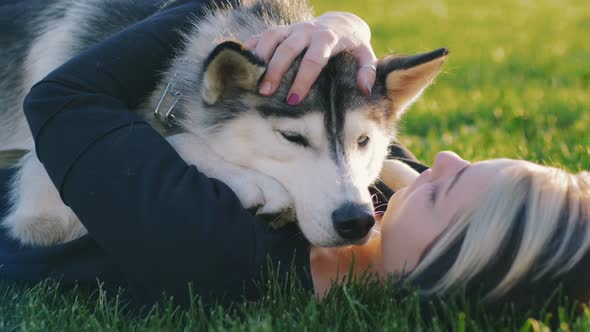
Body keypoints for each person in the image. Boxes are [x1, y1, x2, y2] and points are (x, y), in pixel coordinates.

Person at [0, 0, 385, 308]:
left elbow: (38, 213)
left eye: (438, 195)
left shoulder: (226, 248)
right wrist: (346, 25)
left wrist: (243, 6)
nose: (446, 162)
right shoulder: (386, 199)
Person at [311, 151, 590, 307]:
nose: (444, 157)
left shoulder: (274, 257)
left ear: (427, 274)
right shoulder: (404, 182)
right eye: (470, 165)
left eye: (437, 194)